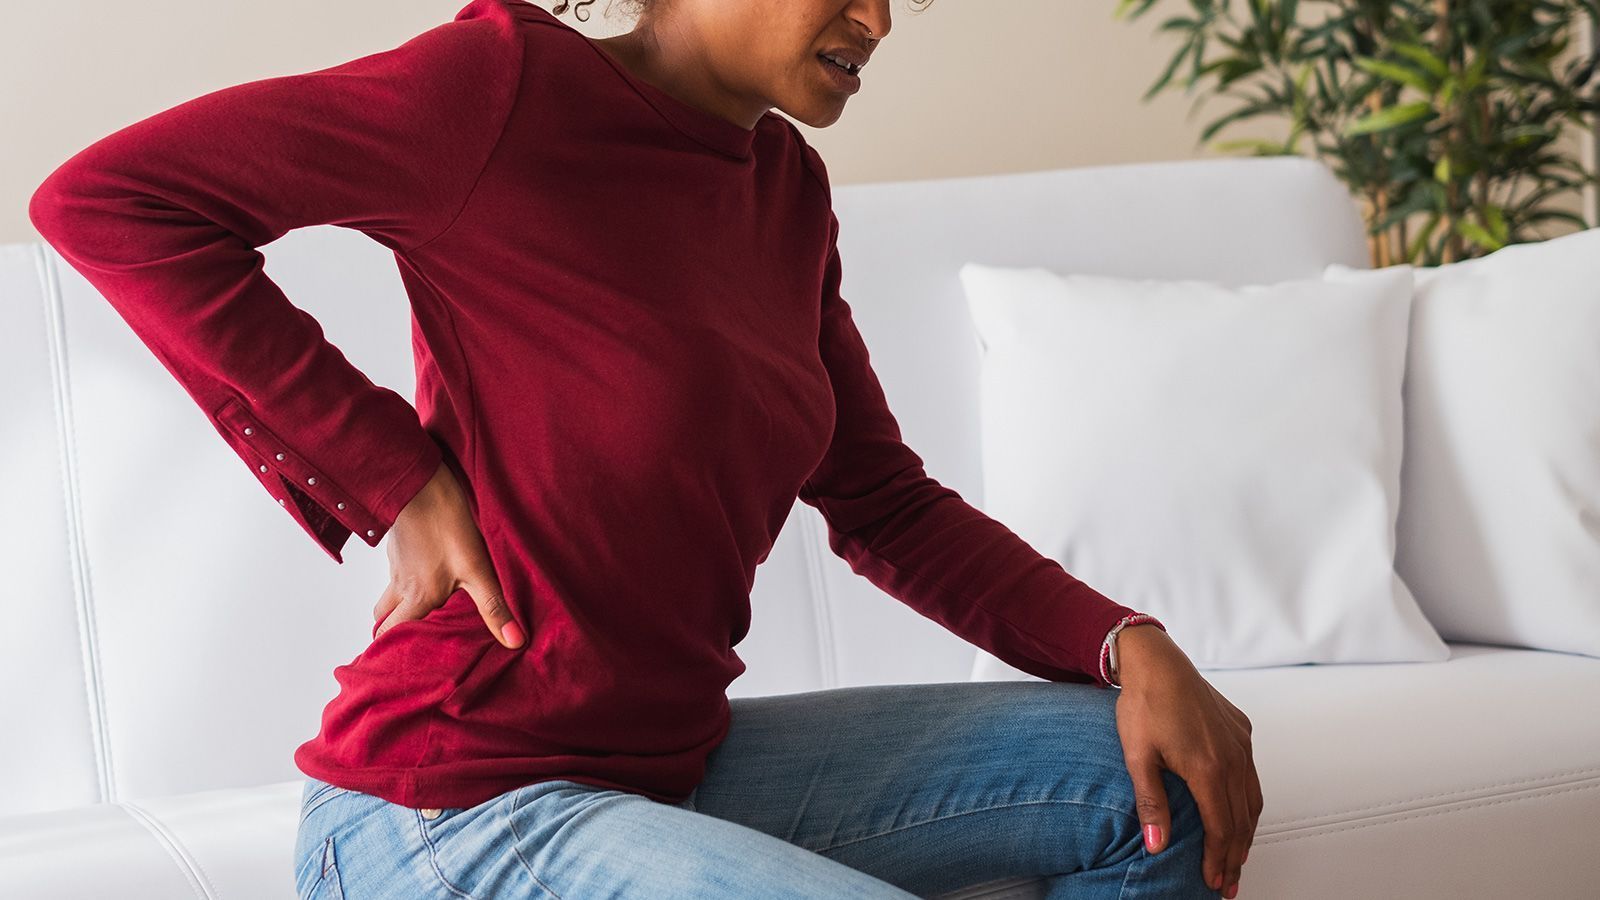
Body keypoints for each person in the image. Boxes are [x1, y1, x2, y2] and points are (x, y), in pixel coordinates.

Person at [27, 0, 1260, 897]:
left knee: (1157, 778)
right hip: (444, 813)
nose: (880, 19)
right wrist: (394, 478)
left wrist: (1123, 640)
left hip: (666, 769)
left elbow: (882, 500)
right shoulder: (499, 89)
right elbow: (111, 201)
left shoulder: (784, 190)